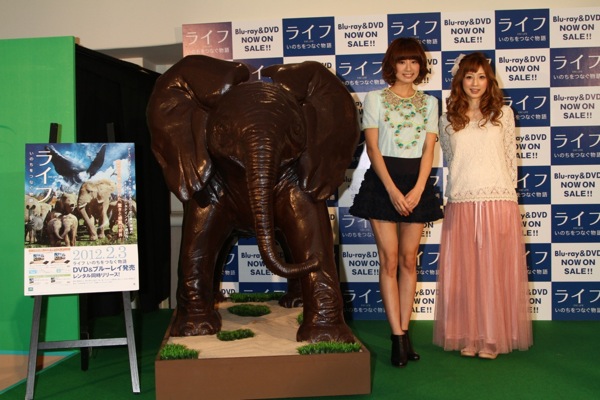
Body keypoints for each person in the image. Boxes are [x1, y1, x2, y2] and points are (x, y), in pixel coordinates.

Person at [349, 37, 444, 368]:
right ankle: (397, 336)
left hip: (416, 184)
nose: (409, 67)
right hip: (383, 184)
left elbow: (429, 150)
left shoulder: (429, 103)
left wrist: (418, 189)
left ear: (421, 66)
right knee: (388, 260)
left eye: (414, 61)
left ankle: (404, 333)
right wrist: (391, 190)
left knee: (408, 261)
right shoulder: (375, 98)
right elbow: (372, 148)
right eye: (402, 61)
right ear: (392, 64)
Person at [433, 52, 533, 359]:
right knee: (466, 273)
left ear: (489, 81)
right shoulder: (447, 120)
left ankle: (491, 338)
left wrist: (507, 195)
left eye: (481, 77)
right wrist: (457, 192)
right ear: (459, 81)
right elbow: (451, 160)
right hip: (462, 201)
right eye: (469, 76)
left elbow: (510, 159)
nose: (475, 83)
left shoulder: (503, 114)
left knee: (493, 270)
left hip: (497, 200)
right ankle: (469, 335)